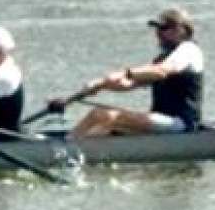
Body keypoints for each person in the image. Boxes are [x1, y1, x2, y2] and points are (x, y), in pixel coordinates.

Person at [65, 8, 206, 137]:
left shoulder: (189, 50)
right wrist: (99, 85)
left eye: (164, 28)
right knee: (99, 128)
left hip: (180, 124)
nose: (158, 33)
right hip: (161, 120)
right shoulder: (164, 57)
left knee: (102, 115)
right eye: (157, 28)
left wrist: (126, 72)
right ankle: (72, 145)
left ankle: (64, 147)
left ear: (181, 29)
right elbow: (129, 84)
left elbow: (161, 71)